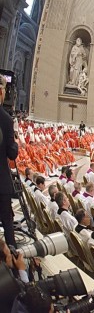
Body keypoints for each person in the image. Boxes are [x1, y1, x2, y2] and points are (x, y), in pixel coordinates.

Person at [0, 76, 19, 247]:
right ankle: (13, 262)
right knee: (7, 221)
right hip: (1, 181)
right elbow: (12, 153)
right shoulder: (6, 119)